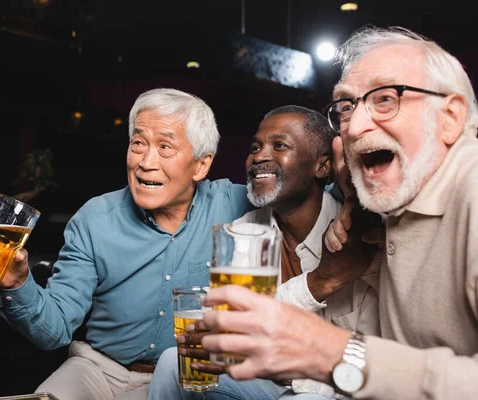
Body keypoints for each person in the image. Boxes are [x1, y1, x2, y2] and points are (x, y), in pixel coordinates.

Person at [199, 26, 478, 400]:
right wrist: (355, 200)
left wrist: (335, 351)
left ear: (450, 116)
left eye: (385, 99)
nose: (356, 127)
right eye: (346, 106)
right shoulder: (384, 208)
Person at [0, 88, 254, 400]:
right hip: (98, 370)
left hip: (186, 381)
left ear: (201, 165)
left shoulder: (236, 206)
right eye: (138, 143)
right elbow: (55, 328)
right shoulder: (95, 219)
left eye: (165, 147)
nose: (145, 162)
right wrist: (18, 284)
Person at [147, 106, 381, 400]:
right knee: (173, 361)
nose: (259, 156)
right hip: (269, 380)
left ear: (322, 167)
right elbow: (236, 329)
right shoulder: (243, 231)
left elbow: (366, 360)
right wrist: (319, 283)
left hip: (338, 388)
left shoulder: (355, 234)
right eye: (255, 147)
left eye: (279, 145)